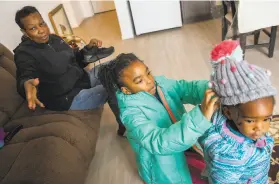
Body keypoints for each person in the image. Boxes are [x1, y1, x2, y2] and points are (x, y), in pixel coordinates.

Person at [99, 53, 219, 183]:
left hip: (184, 143)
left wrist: (213, 89)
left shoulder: (161, 84)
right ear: (126, 90)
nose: (150, 80)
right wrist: (200, 118)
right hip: (162, 166)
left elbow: (188, 88)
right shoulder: (131, 114)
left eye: (148, 73)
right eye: (139, 81)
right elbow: (158, 142)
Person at [199, 40, 277, 184]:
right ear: (228, 113)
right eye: (250, 120)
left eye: (266, 119)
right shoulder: (230, 156)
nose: (260, 128)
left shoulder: (247, 128)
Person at [13, 6, 115, 112]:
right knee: (117, 85)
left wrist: (87, 49)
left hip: (83, 80)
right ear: (24, 32)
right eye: (33, 28)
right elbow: (25, 74)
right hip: (68, 97)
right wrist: (27, 84)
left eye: (42, 23)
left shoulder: (55, 39)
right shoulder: (24, 53)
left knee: (120, 65)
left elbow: (74, 59)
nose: (41, 30)